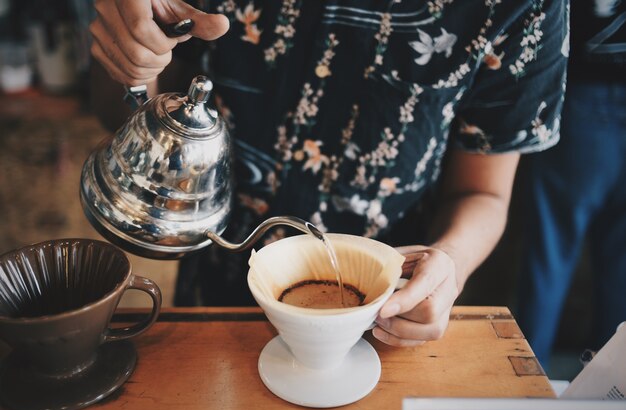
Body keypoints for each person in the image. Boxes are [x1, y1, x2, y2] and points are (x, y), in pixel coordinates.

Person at [89, 0, 568, 348]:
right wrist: (131, 62)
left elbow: (483, 192)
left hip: (381, 313)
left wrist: (451, 262)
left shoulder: (523, 8)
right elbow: (123, 107)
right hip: (215, 290)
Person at [517, 0, 626, 368]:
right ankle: (609, 393)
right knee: (620, 263)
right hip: (581, 91)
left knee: (550, 252)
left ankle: (523, 392)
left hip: (578, 90)